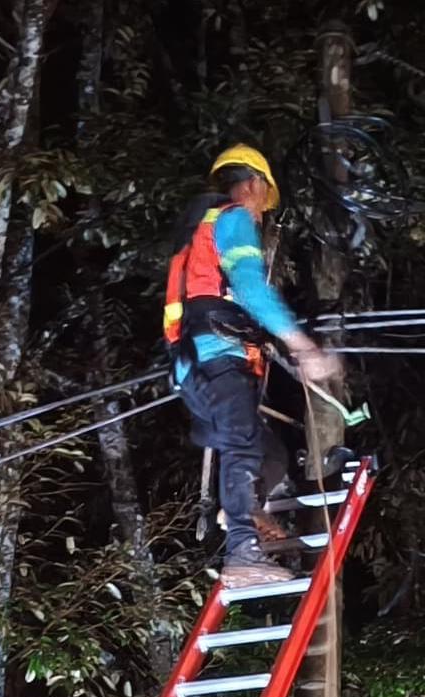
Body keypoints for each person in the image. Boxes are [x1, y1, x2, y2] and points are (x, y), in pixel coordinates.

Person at [166, 142, 345, 590]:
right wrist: (303, 346)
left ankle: (242, 507)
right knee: (244, 449)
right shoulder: (232, 218)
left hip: (197, 367)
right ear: (252, 185)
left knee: (272, 456)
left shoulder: (195, 232)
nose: (263, 214)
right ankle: (242, 553)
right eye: (264, 200)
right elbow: (249, 287)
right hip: (217, 360)